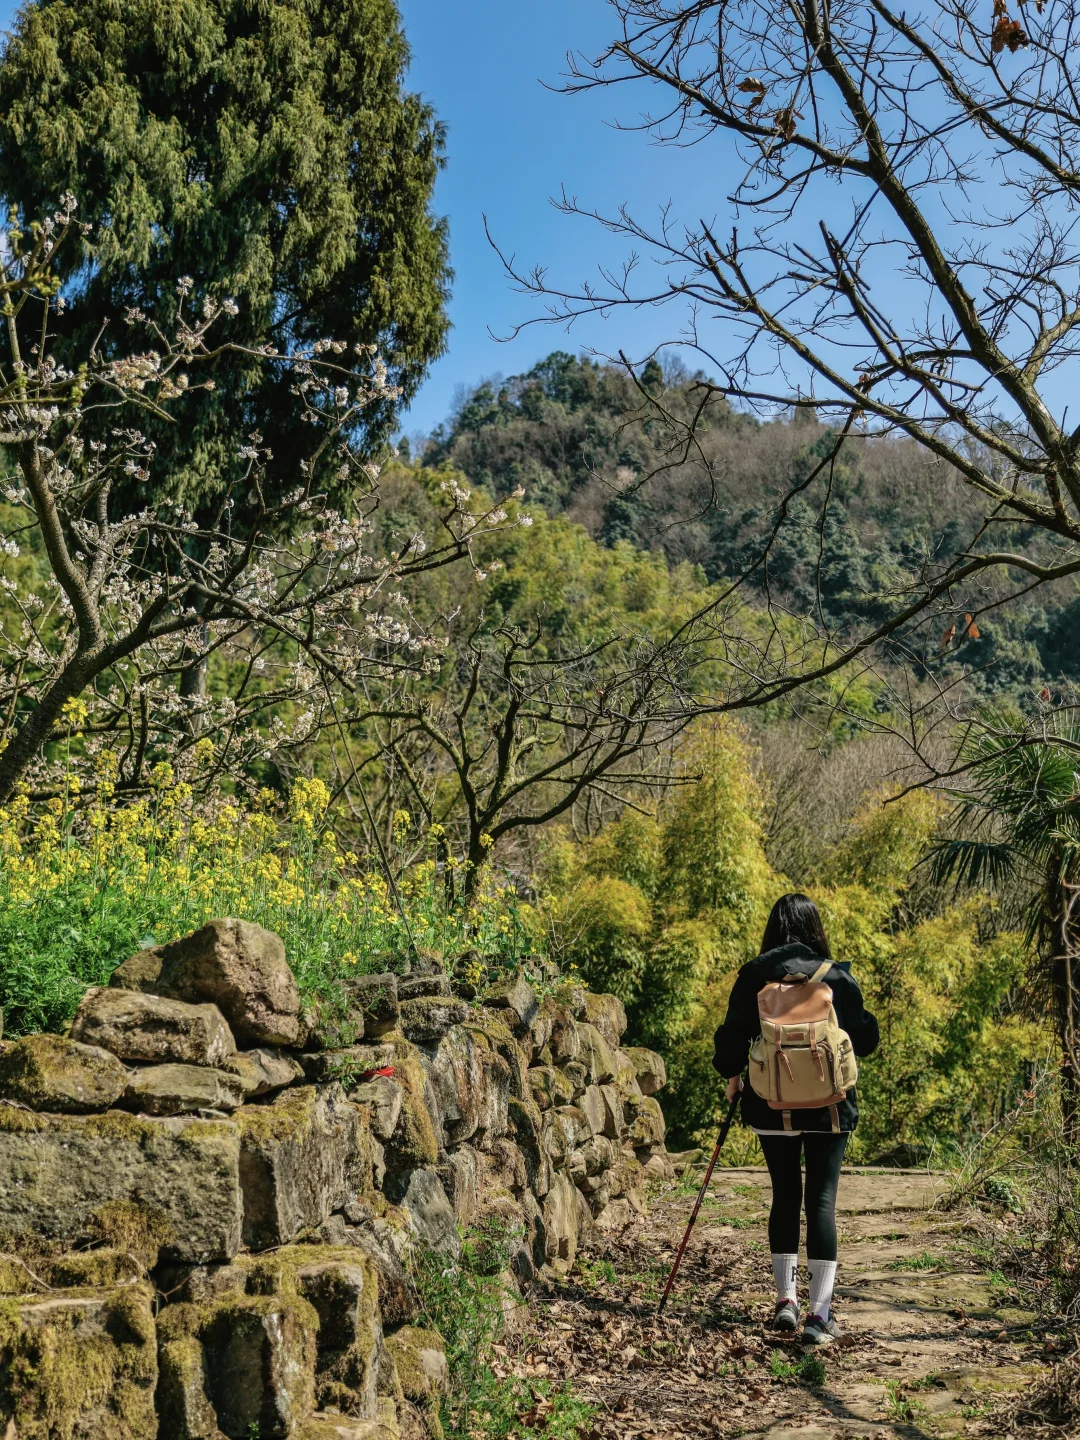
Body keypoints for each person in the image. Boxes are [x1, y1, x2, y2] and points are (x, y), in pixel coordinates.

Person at [712, 893, 879, 1346]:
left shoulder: (754, 976)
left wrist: (733, 1075)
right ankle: (819, 1315)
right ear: (814, 928)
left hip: (771, 1105)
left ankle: (786, 1301)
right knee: (821, 1201)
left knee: (785, 1195)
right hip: (831, 1108)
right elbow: (865, 1042)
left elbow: (729, 1045)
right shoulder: (836, 976)